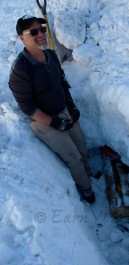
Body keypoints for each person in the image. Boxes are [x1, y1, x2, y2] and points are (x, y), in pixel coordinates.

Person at [8, 15, 95, 204]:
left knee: (80, 144)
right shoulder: (20, 71)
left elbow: (62, 82)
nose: (40, 34)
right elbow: (27, 107)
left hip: (63, 109)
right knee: (72, 156)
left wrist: (70, 106)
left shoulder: (50, 55)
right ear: (22, 38)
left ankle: (88, 173)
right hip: (43, 121)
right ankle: (85, 188)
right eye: (33, 31)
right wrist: (54, 122)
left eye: (42, 30)